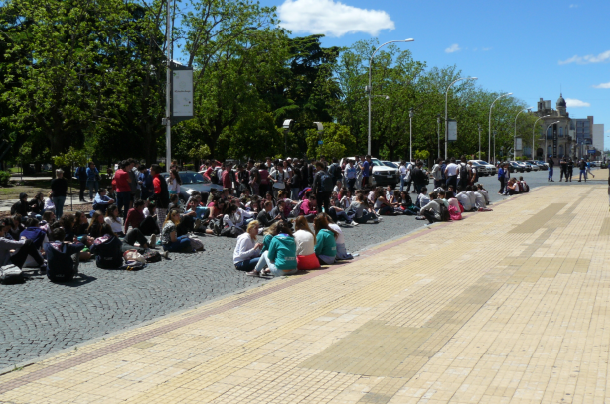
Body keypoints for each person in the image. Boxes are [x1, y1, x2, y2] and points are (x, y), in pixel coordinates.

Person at [150, 164, 170, 229]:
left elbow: (157, 192)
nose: (149, 171)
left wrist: (150, 198)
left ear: (154, 171)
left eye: (150, 169)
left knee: (161, 221)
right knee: (163, 219)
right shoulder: (161, 177)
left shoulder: (156, 179)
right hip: (165, 201)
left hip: (161, 202)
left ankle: (163, 237)